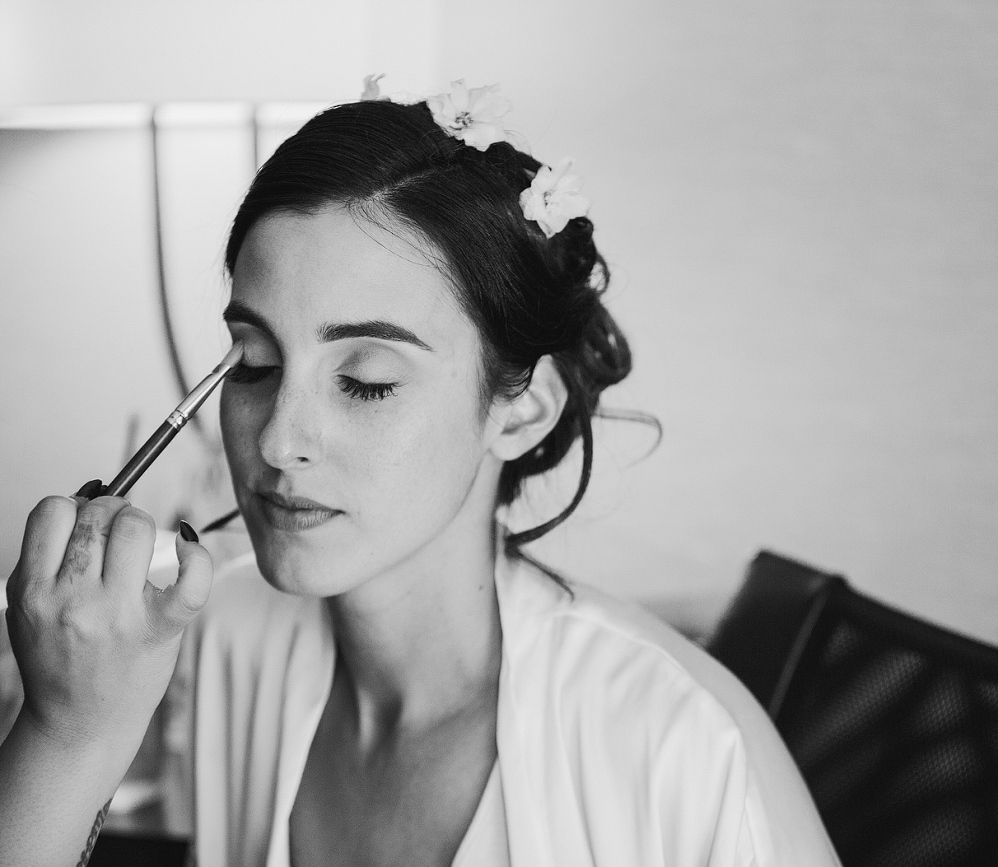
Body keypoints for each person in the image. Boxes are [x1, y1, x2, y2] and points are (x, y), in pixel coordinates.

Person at [0, 81, 840, 867]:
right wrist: (68, 736)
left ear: (520, 410)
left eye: (366, 379)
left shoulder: (686, 754)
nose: (277, 440)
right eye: (252, 364)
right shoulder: (231, 634)